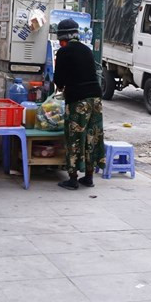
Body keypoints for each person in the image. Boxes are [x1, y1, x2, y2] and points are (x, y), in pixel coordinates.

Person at [53, 18, 105, 190]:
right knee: (92, 137)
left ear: (62, 39)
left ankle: (73, 179)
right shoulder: (86, 50)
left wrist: (60, 85)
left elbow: (59, 81)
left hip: (78, 101)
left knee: (75, 138)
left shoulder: (64, 52)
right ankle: (89, 177)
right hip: (96, 100)